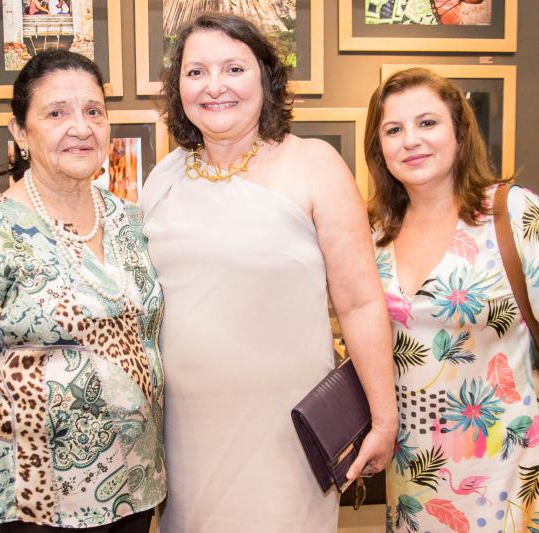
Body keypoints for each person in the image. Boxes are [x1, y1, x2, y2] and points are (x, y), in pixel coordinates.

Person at [140, 13, 397, 533]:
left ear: (265, 78)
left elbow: (361, 302)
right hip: (186, 437)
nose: (214, 86)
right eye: (195, 72)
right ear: (178, 87)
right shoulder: (162, 178)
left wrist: (384, 416)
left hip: (287, 434)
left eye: (234, 68)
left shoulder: (315, 164)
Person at [365, 68, 539, 532]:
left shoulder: (510, 211)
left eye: (427, 123)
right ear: (378, 148)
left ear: (459, 133)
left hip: (511, 465)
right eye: (393, 130)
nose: (411, 140)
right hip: (415, 475)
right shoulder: (375, 232)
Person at [0, 50, 165, 533]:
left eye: (93, 111)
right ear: (20, 132)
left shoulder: (129, 221)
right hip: (37, 504)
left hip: (136, 488)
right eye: (56, 113)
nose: (81, 127)